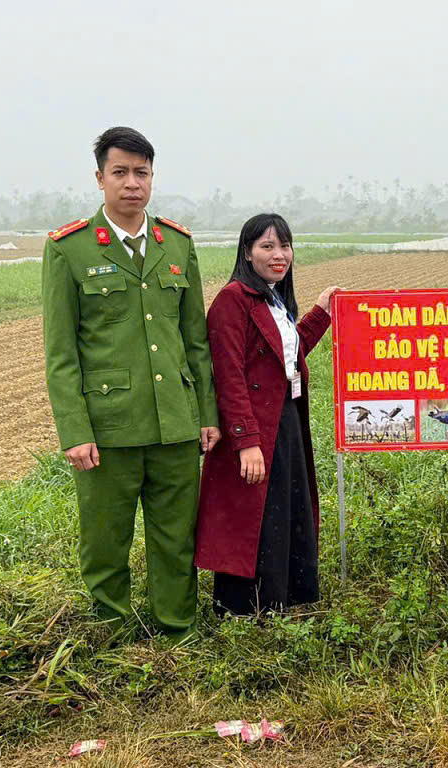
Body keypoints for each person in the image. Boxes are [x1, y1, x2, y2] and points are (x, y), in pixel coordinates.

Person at [42, 126, 219, 641]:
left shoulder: (177, 245)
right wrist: (75, 430)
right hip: (109, 427)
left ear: (152, 177)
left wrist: (206, 414)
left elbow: (195, 341)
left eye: (142, 172)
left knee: (176, 538)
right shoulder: (70, 249)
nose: (132, 183)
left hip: (175, 424)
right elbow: (61, 354)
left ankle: (177, 630)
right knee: (105, 539)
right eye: (120, 172)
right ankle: (110, 635)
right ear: (100, 178)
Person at [195, 213, 338, 615]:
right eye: (267, 246)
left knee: (286, 509)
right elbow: (229, 376)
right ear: (247, 252)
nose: (279, 255)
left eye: (285, 246)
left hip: (285, 419)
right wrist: (246, 442)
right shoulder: (232, 300)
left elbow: (285, 355)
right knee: (253, 517)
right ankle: (245, 609)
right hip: (254, 427)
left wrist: (321, 312)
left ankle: (283, 601)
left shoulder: (274, 299)